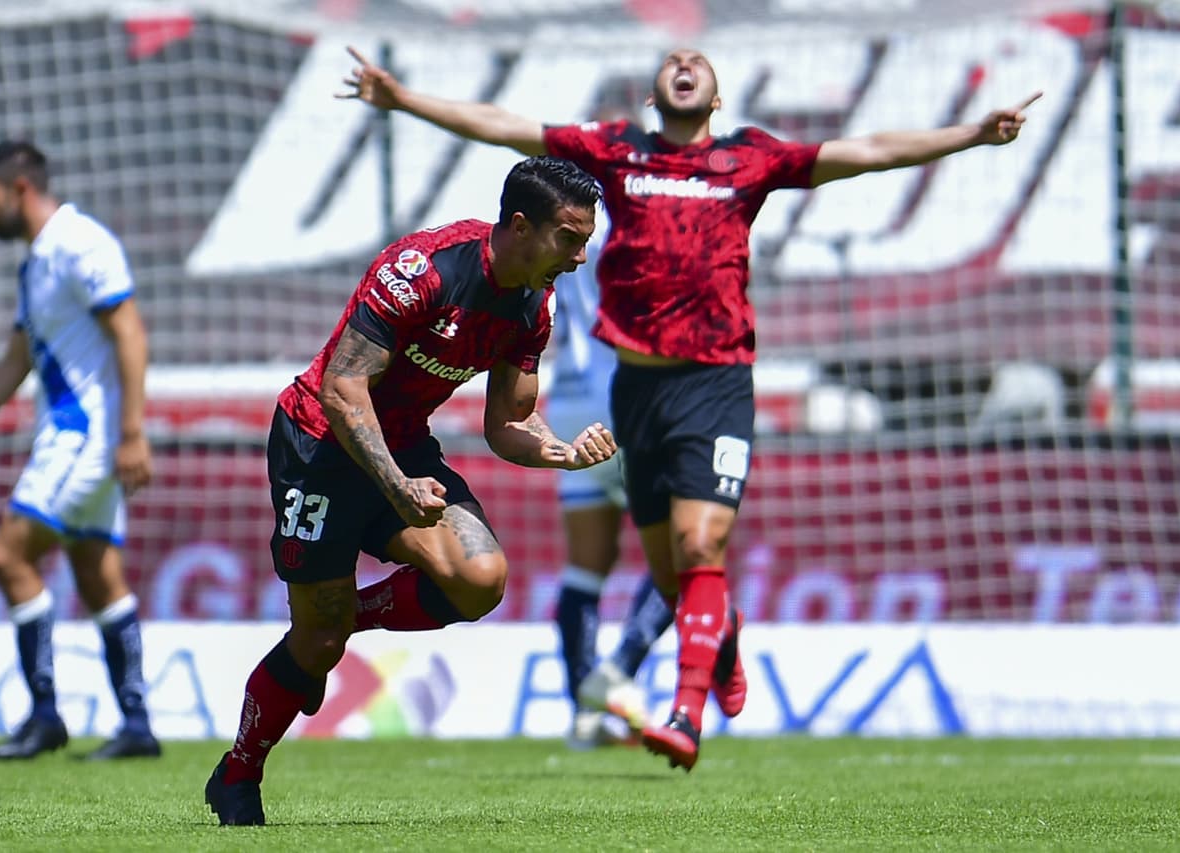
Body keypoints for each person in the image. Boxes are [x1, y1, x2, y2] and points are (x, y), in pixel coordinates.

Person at [341, 45, 1040, 771]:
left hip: (714, 385)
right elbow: (504, 126)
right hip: (625, 393)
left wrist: (969, 133)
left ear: (716, 99)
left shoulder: (749, 161)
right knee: (654, 564)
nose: (683, 57)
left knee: (697, 548)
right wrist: (405, 100)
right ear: (651, 99)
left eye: (698, 58)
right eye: (670, 57)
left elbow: (865, 149)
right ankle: (701, 639)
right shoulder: (609, 157)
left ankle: (676, 704)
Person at [204, 155, 617, 826]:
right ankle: (238, 772)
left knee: (480, 577)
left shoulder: (532, 306)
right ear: (520, 226)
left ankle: (337, 624)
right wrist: (396, 486)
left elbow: (507, 422)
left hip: (402, 445)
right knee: (314, 646)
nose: (579, 257)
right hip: (318, 446)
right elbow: (343, 387)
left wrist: (563, 453)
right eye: (569, 238)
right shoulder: (423, 271)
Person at [0, 140, 160, 761]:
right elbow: (17, 357)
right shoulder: (36, 261)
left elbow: (129, 332)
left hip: (87, 438)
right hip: (81, 438)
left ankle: (46, 716)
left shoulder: (82, 243)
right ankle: (137, 726)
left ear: (20, 187)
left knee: (8, 556)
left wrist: (132, 432)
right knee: (96, 574)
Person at [547, 230, 673, 750]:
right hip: (625, 395)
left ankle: (583, 714)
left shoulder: (565, 222)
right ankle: (617, 672)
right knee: (687, 551)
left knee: (585, 565)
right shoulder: (638, 215)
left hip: (570, 396)